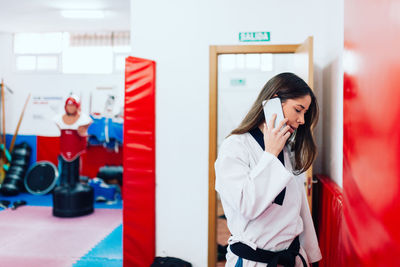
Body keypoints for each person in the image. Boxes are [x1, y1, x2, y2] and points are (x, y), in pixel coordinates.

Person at [215, 72, 322, 267]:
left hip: (292, 257)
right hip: (254, 260)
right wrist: (270, 154)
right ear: (274, 102)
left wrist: (312, 256)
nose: (302, 120)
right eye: (298, 110)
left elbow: (298, 210)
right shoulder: (235, 146)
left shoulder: (287, 149)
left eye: (305, 113)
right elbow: (247, 205)